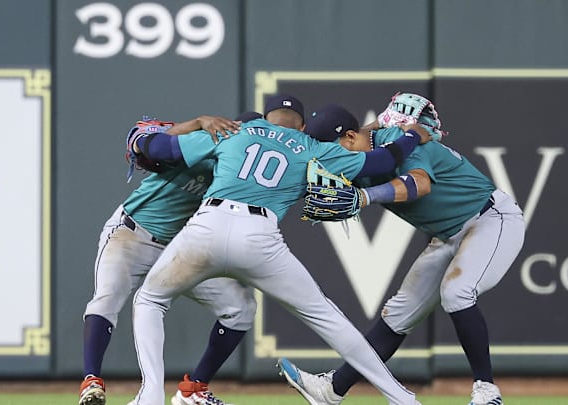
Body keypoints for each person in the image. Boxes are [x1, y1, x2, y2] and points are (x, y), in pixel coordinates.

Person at [125, 94, 432, 405]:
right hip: (259, 237)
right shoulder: (313, 147)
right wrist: (411, 135)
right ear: (302, 125)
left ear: (266, 116)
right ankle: (402, 399)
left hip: (207, 226)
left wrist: (146, 138)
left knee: (151, 299)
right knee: (326, 317)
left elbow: (160, 149)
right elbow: (385, 160)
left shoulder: (236, 129)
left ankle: (150, 395)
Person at [277, 99, 526, 405]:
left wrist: (366, 196)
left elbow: (419, 185)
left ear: (351, 138)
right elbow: (359, 144)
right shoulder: (360, 148)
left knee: (457, 291)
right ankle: (332, 390)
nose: (330, 160)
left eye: (334, 148)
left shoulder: (398, 140)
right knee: (397, 315)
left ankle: (486, 389)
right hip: (446, 235)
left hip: (490, 219)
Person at [79, 113, 263, 405]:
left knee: (240, 306)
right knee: (107, 298)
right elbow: (141, 140)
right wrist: (198, 123)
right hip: (133, 233)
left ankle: (195, 390)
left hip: (181, 249)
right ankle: (92, 381)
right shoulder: (201, 142)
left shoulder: (246, 176)